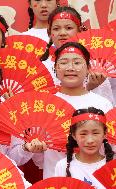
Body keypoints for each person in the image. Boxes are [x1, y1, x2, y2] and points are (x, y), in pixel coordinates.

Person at [27, 41, 113, 179]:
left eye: (77, 63)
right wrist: (35, 149)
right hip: (55, 178)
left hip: (98, 180)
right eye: (64, 62)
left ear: (88, 68)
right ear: (55, 68)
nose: (70, 68)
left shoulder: (103, 104)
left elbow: (111, 147)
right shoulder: (43, 104)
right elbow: (38, 159)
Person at [40, 6, 114, 103]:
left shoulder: (98, 64)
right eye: (56, 29)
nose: (62, 33)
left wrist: (93, 87)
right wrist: (88, 87)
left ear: (80, 31)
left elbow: (106, 105)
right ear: (49, 33)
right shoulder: (42, 67)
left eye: (69, 28)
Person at [55, 107, 114, 189]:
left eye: (95, 133)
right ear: (74, 135)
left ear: (104, 134)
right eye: (83, 134)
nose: (90, 140)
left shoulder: (113, 166)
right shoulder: (62, 166)